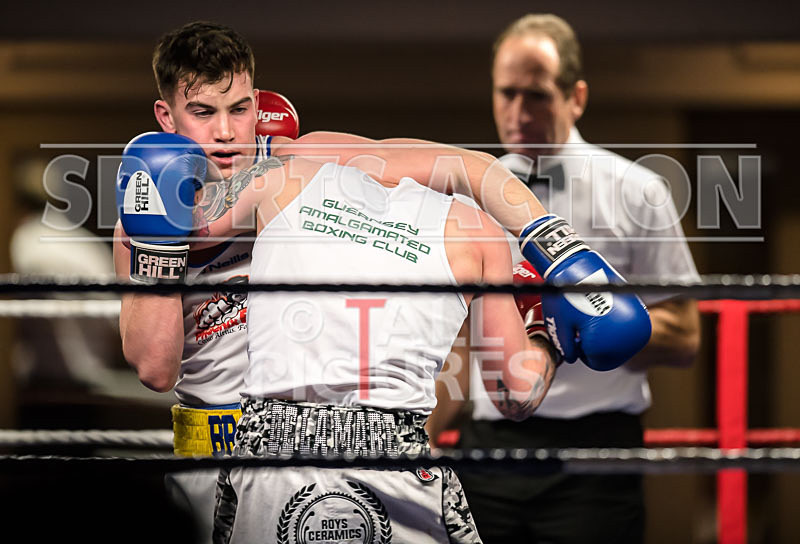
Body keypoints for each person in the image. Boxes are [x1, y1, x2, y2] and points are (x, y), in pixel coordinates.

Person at [115, 20, 651, 542]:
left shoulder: (300, 164)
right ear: (167, 117)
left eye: (239, 109)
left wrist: (560, 252)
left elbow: (468, 167)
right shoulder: (142, 221)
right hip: (213, 455)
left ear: (258, 103)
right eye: (203, 113)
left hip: (339, 441)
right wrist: (160, 241)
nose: (226, 132)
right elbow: (155, 368)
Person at [432, 14, 702, 543]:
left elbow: (686, 335)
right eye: (506, 93)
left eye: (536, 95)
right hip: (490, 446)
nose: (518, 112)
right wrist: (420, 440)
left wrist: (584, 319)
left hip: (595, 450)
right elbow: (459, 334)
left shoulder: (638, 191)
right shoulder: (472, 197)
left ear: (575, 98)